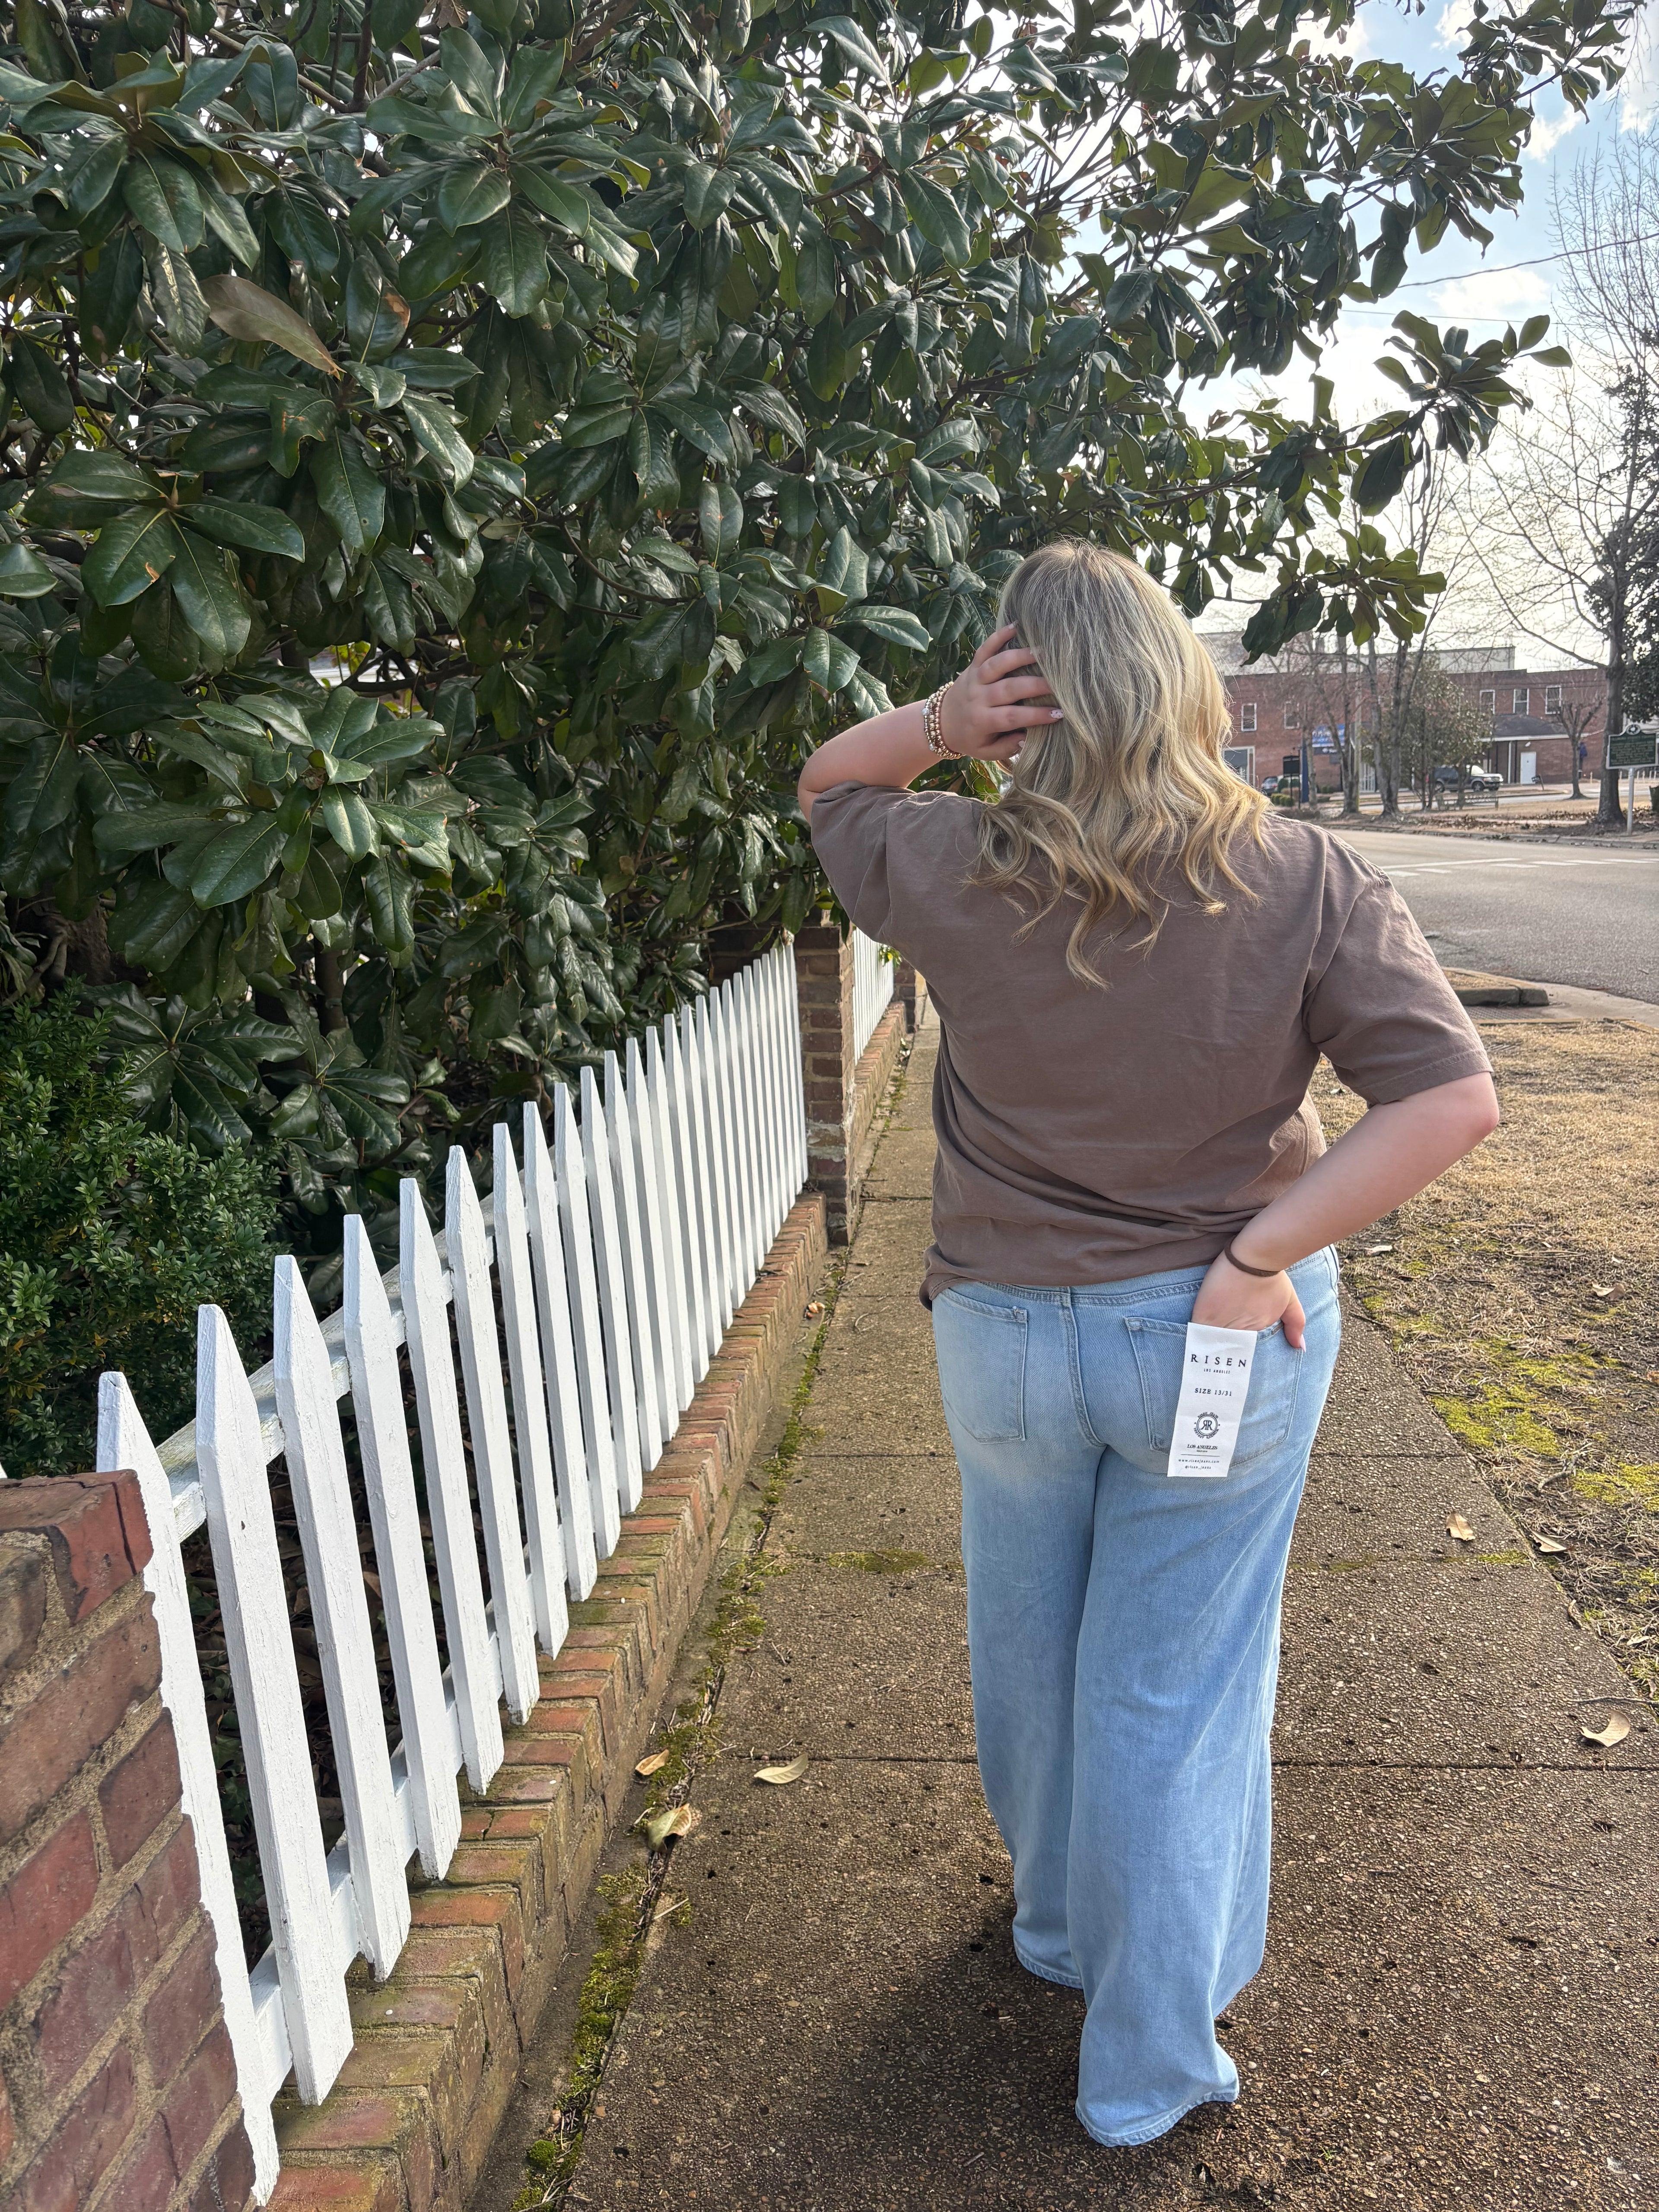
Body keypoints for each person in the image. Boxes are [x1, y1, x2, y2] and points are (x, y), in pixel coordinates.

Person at [797, 540, 1500, 2151]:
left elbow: (830, 786)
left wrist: (938, 720)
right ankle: (1147, 2067)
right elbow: (1451, 1098)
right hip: (1209, 1341)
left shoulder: (951, 858)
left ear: (1021, 694)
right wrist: (1264, 1250)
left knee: (1031, 1647)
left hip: (1004, 1342)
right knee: (1173, 1693)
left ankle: (1058, 1932)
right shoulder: (1304, 875)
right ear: (1187, 682)